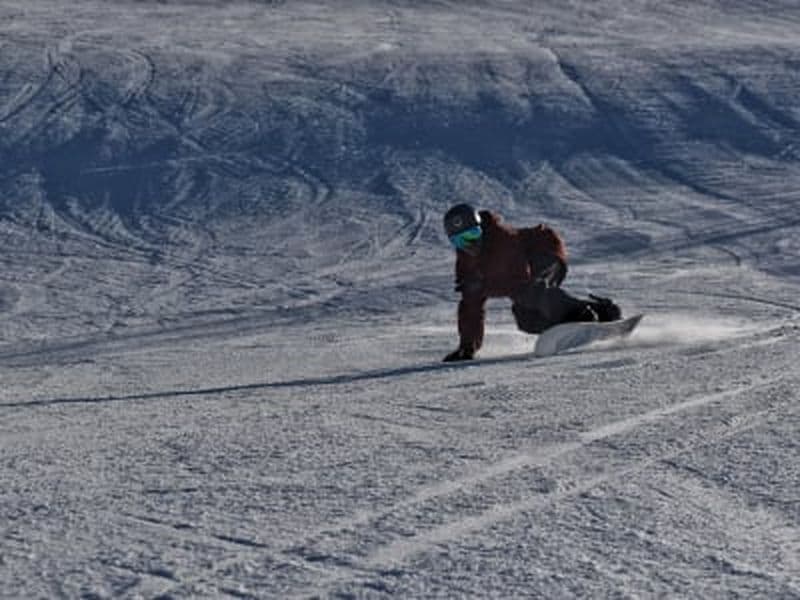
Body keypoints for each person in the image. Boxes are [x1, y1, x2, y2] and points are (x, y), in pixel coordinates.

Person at [442, 203, 621, 362]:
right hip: (524, 275)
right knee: (525, 319)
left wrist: (484, 286)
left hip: (545, 249)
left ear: (482, 227)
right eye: (460, 240)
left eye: (474, 234)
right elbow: (470, 308)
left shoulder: (502, 239)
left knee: (530, 292)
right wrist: (467, 347)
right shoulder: (466, 263)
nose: (469, 244)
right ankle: (573, 324)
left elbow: (519, 281)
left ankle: (588, 313)